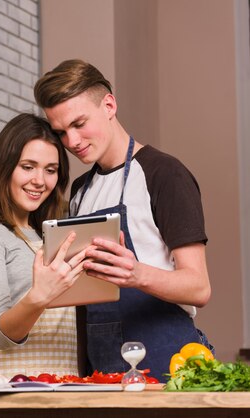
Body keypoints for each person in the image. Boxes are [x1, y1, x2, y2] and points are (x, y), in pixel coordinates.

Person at [34, 59, 212, 381]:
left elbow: (199, 287)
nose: (72, 141)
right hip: (100, 367)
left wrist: (136, 273)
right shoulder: (80, 191)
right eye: (61, 132)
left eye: (79, 124)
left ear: (109, 105)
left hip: (166, 363)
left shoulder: (164, 174)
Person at [0, 113, 90, 378]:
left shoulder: (50, 237)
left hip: (64, 380)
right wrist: (39, 297)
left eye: (50, 170)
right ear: (4, 168)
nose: (40, 180)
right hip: (9, 384)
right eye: (28, 167)